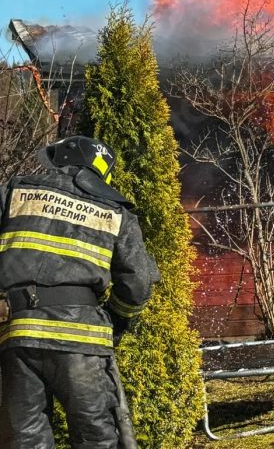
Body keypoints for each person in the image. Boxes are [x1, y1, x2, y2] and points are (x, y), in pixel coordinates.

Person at [0, 136, 159, 448]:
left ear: (60, 161)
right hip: (83, 340)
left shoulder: (15, 191)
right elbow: (139, 281)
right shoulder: (115, 212)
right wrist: (116, 321)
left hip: (17, 333)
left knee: (24, 438)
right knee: (95, 436)